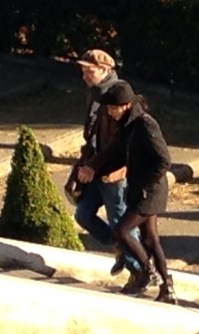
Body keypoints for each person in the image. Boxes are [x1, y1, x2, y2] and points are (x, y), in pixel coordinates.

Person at [101, 82, 177, 303]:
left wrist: (146, 184)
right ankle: (167, 288)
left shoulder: (145, 124)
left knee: (121, 231)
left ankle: (148, 271)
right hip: (140, 189)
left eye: (112, 108)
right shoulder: (128, 125)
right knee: (150, 240)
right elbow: (118, 153)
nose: (110, 112)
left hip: (150, 191)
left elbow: (164, 160)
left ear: (125, 106)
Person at [72, 49, 143, 281]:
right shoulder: (94, 94)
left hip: (112, 173)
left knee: (122, 223)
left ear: (105, 70)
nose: (84, 75)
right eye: (83, 70)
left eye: (89, 71)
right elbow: (91, 133)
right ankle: (119, 247)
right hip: (93, 167)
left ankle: (140, 272)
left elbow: (117, 143)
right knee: (83, 215)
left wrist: (93, 166)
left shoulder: (118, 95)